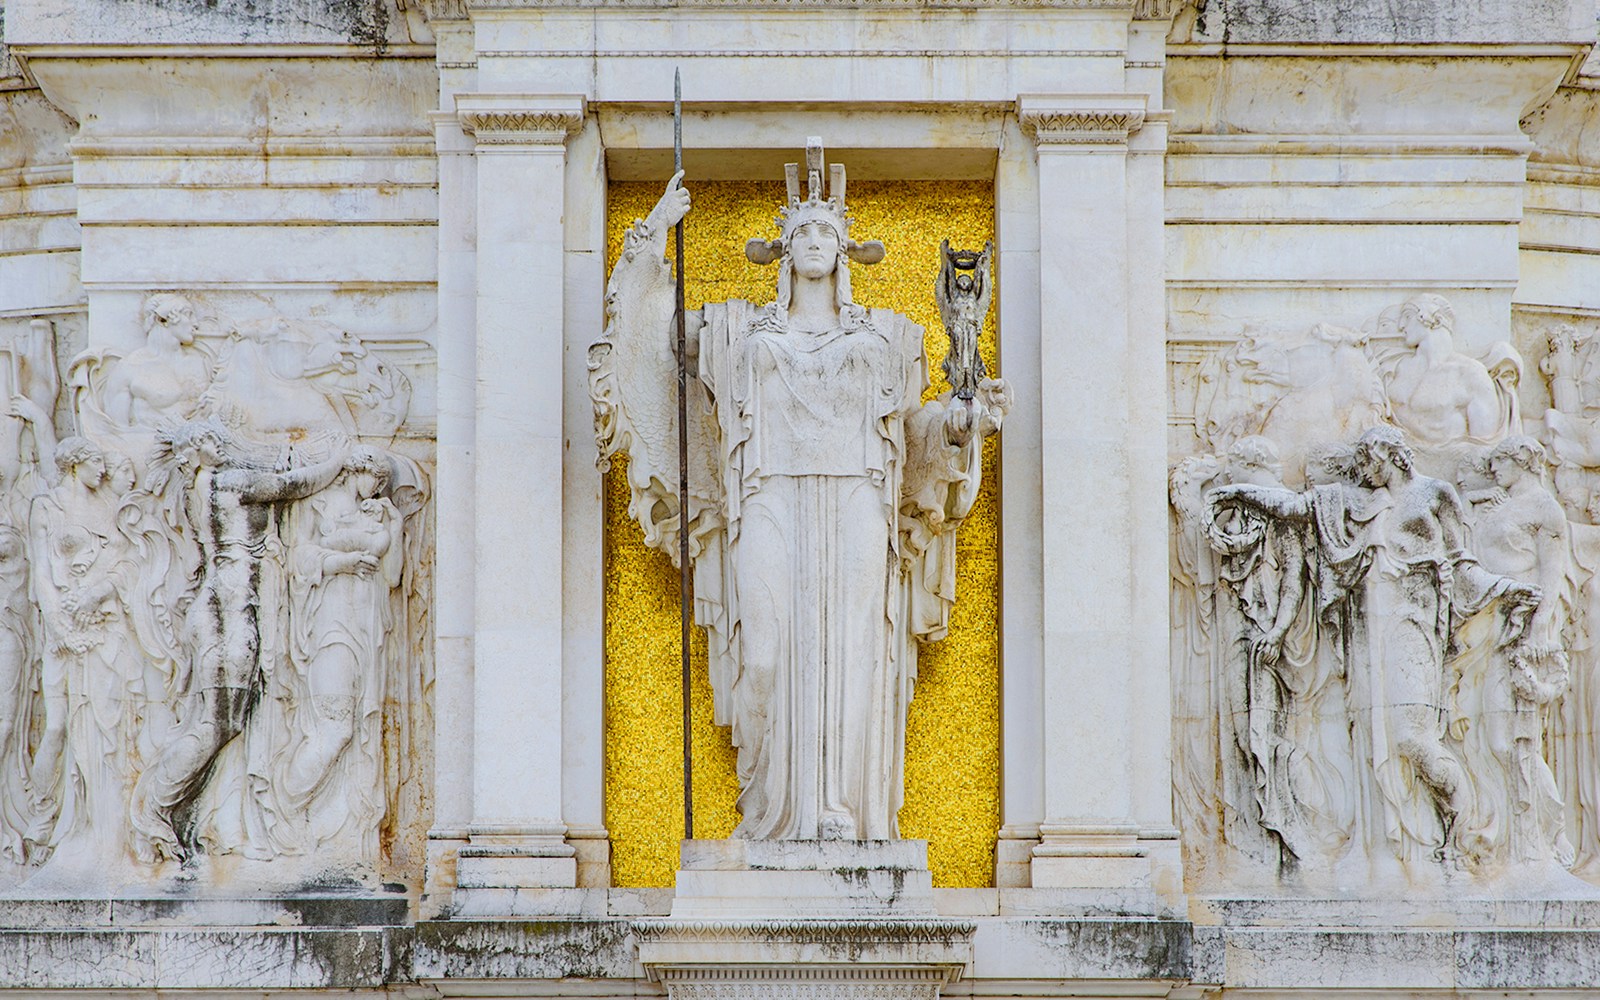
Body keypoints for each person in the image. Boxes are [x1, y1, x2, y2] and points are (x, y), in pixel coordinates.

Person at [590, 145, 1009, 840]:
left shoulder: (885, 337)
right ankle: (770, 812)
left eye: (827, 232)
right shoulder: (733, 331)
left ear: (845, 251)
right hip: (767, 497)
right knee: (763, 654)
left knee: (853, 658)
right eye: (803, 232)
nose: (815, 241)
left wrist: (962, 420)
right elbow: (644, 342)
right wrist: (650, 238)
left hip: (857, 497)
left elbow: (911, 430)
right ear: (783, 249)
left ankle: (838, 811)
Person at [1209, 427, 1538, 874]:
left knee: (1412, 735)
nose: (1363, 470)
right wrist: (1234, 492)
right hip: (1367, 631)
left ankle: (1466, 829)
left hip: (1414, 623)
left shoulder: (1435, 494)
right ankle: (1397, 849)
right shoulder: (1360, 503)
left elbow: (1463, 564)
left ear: (1390, 454)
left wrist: (1503, 588)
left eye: (1369, 460)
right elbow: (1293, 507)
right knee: (1370, 740)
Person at [129, 421, 348, 864]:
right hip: (228, 611)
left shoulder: (201, 487)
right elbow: (293, 484)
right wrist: (340, 459)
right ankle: (153, 810)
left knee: (220, 723)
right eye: (209, 439)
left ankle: (161, 809)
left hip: (221, 606)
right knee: (215, 724)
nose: (221, 442)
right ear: (196, 451)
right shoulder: (231, 481)